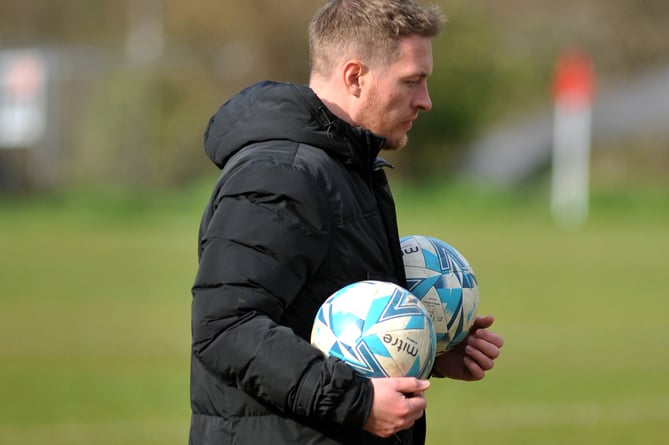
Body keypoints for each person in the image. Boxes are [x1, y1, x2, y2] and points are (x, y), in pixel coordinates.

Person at [189, 1, 504, 444]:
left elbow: (320, 320)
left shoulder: (347, 167)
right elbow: (227, 329)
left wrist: (423, 350)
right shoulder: (280, 174)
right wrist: (357, 402)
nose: (426, 101)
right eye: (412, 81)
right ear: (355, 77)